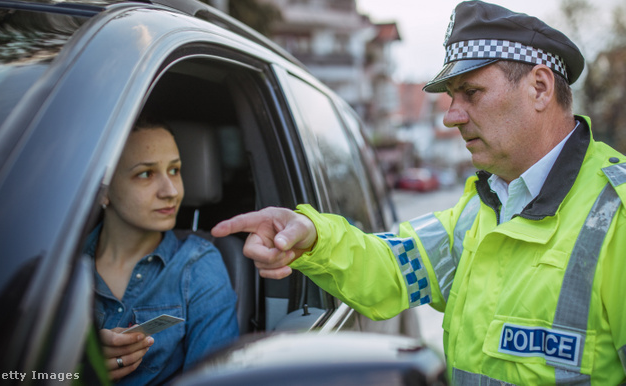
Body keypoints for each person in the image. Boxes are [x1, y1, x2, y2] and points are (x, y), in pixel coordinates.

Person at [211, 1, 626, 384]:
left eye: (471, 92)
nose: (451, 117)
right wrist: (312, 236)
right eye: (451, 97)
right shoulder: (483, 209)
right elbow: (391, 266)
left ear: (539, 87)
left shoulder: (617, 218)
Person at [84, 118, 238, 384]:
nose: (171, 191)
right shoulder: (57, 265)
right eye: (146, 173)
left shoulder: (197, 266)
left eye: (175, 170)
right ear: (102, 191)